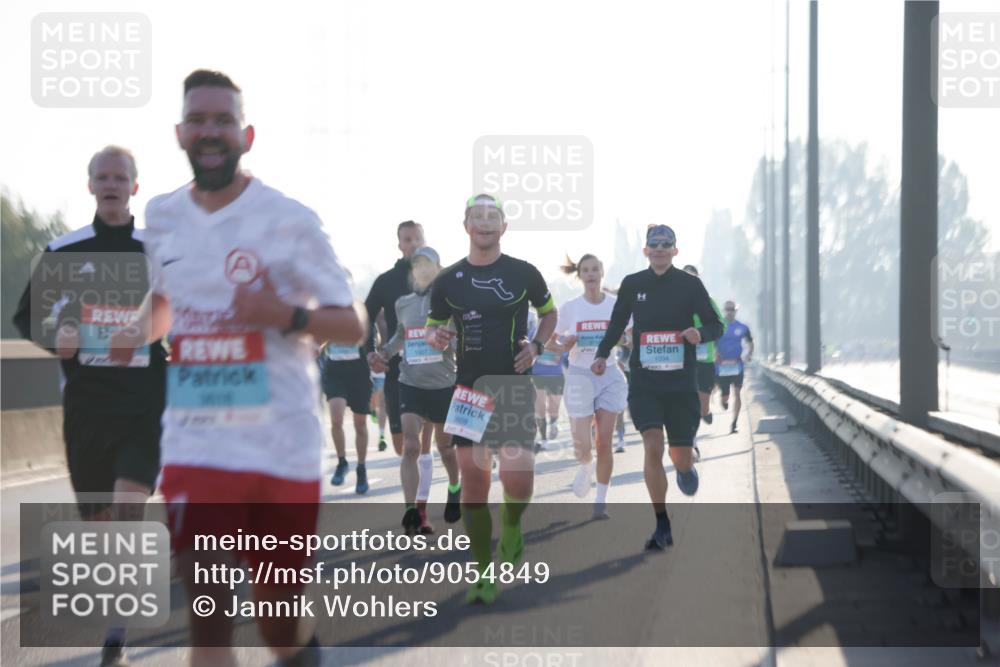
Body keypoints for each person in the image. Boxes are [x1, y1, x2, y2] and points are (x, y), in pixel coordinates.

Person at [114, 69, 367, 667]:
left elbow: (351, 323)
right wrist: (128, 335)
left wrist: (286, 315)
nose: (210, 131)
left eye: (222, 120)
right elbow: (165, 304)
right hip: (196, 443)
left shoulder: (288, 219)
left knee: (278, 619)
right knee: (209, 615)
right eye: (198, 120)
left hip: (280, 445)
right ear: (179, 133)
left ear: (246, 135)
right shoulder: (162, 216)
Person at [13, 145, 167, 667]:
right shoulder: (65, 249)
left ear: (134, 188)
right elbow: (26, 317)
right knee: (102, 523)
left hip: (145, 404)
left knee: (128, 507)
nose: (111, 184)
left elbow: (185, 307)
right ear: (90, 187)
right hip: (86, 407)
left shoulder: (157, 250)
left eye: (120, 177)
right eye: (102, 176)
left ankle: (115, 634)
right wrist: (60, 335)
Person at [425, 194, 557, 604]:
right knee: (474, 485)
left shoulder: (524, 273)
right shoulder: (447, 280)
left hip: (513, 384)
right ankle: (483, 574)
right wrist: (437, 335)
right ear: (466, 225)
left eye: (493, 216)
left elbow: (549, 313)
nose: (485, 222)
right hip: (468, 390)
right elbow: (433, 328)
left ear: (504, 226)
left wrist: (536, 346)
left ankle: (513, 525)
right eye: (477, 216)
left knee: (518, 479)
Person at [592, 224, 723, 551]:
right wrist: (601, 354)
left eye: (667, 244)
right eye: (655, 244)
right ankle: (662, 523)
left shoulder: (690, 284)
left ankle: (685, 466)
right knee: (652, 445)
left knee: (678, 456)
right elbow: (618, 322)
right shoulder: (633, 284)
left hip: (681, 385)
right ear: (646, 250)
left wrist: (700, 334)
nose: (660, 248)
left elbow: (715, 323)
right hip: (646, 383)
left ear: (676, 250)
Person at [372, 246, 462, 535]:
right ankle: (411, 509)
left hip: (442, 384)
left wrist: (449, 341)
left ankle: (454, 486)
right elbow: (401, 336)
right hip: (410, 383)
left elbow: (462, 342)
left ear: (438, 268)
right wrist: (383, 352)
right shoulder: (403, 303)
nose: (423, 269)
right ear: (413, 270)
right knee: (410, 446)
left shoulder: (451, 303)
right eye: (418, 264)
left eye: (429, 264)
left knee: (446, 449)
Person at [552, 254, 629, 518]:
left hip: (609, 375)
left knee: (604, 442)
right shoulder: (570, 308)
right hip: (579, 376)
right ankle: (586, 466)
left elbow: (630, 337)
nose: (591, 274)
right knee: (582, 446)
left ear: (602, 271)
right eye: (586, 270)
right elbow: (550, 342)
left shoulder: (616, 305)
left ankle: (601, 500)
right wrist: (565, 345)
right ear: (580, 275)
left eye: (595, 269)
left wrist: (625, 340)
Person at [365, 221, 426, 457]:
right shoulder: (386, 281)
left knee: (430, 441)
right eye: (408, 240)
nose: (414, 244)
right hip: (398, 370)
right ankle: (418, 480)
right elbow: (365, 318)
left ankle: (426, 487)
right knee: (403, 447)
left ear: (424, 240)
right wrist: (370, 351)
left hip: (437, 369)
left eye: (418, 238)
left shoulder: (442, 277)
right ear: (399, 245)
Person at [682, 264, 724, 461]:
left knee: (702, 407)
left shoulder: (707, 302)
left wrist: (702, 335)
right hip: (681, 360)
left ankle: (705, 413)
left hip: (705, 360)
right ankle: (691, 442)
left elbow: (720, 326)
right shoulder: (674, 302)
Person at [319, 340, 372, 494]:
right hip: (335, 373)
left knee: (360, 424)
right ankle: (342, 462)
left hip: (359, 373)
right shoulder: (326, 315)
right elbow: (319, 337)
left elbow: (373, 336)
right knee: (336, 420)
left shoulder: (360, 315)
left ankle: (361, 469)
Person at [527, 309, 563, 451]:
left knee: (553, 408)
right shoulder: (532, 334)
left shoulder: (560, 334)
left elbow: (565, 354)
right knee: (540, 408)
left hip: (555, 376)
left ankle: (554, 423)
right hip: (538, 375)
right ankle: (543, 439)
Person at [716, 300, 755, 434]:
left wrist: (749, 354)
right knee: (725, 396)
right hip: (721, 367)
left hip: (737, 365)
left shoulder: (742, 327)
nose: (730, 312)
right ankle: (723, 399)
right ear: (724, 311)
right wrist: (716, 354)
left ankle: (734, 423)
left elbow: (750, 342)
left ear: (736, 311)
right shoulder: (718, 326)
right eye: (727, 309)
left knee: (738, 393)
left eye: (732, 309)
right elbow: (711, 341)